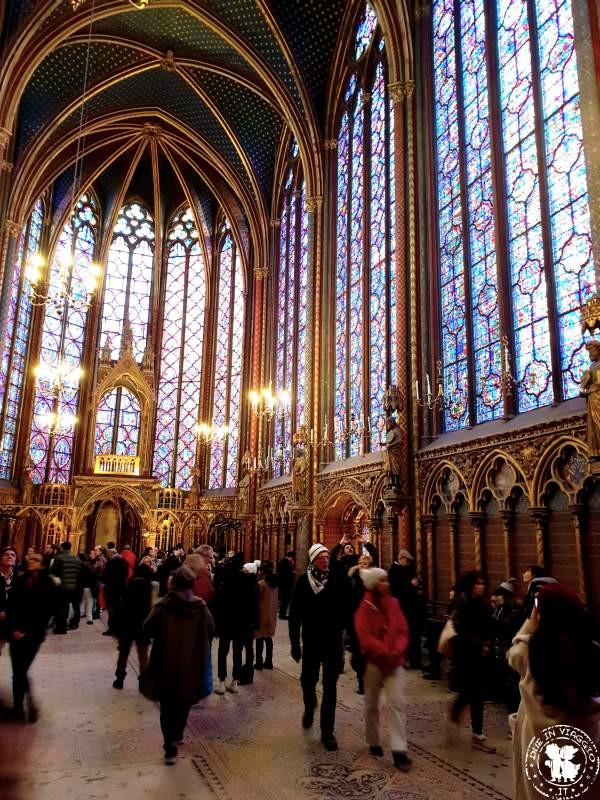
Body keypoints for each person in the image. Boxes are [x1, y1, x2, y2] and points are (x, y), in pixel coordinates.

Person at [507, 583, 600, 800]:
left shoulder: (530, 650)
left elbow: (512, 654)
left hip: (542, 744)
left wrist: (530, 624)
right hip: (585, 736)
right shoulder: (590, 649)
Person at [141, 565, 214, 765]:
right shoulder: (201, 607)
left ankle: (169, 745)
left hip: (166, 662)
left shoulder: (163, 606)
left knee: (167, 705)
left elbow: (146, 629)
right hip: (191, 664)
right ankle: (178, 733)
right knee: (183, 702)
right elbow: (212, 628)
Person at [289, 543, 351, 751]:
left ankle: (327, 732)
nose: (326, 561)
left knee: (330, 686)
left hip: (333, 641)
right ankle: (309, 705)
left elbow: (347, 607)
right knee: (308, 680)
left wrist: (347, 632)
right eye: (322, 558)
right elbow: (294, 615)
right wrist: (294, 643)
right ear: (313, 560)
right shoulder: (303, 583)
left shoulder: (337, 579)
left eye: (327, 557)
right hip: (312, 639)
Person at [354, 568, 411, 771]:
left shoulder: (394, 603)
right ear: (372, 584)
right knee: (372, 703)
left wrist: (397, 650)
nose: (386, 584)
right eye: (381, 581)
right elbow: (364, 635)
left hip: (394, 661)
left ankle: (399, 750)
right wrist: (383, 650)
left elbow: (403, 630)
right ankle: (373, 740)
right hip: (374, 662)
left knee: (397, 703)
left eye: (387, 580)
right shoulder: (364, 607)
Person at [6, 552, 58, 721]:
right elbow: (11, 605)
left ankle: (27, 704)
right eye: (30, 559)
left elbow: (46, 612)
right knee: (18, 671)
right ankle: (19, 707)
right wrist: (13, 629)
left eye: (35, 560)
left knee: (22, 669)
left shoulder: (48, 585)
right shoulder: (20, 580)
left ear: (42, 565)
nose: (30, 561)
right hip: (15, 632)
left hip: (33, 635)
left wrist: (28, 632)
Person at [448, 570, 496, 753]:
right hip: (466, 655)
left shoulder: (484, 604)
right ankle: (457, 716)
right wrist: (478, 645)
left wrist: (487, 644)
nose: (481, 587)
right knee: (469, 693)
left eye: (483, 583)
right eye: (477, 583)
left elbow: (491, 627)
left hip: (481, 655)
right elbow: (460, 629)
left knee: (476, 694)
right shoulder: (462, 604)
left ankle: (477, 733)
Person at [112, 562, 155, 690]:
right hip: (143, 624)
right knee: (143, 654)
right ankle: (143, 681)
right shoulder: (149, 587)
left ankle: (119, 678)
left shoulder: (130, 585)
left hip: (127, 623)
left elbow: (123, 606)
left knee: (124, 652)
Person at [388, 549, 426, 669]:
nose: (409, 564)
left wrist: (416, 585)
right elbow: (395, 590)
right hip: (401, 608)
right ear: (402, 558)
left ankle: (415, 660)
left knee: (414, 635)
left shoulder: (408, 569)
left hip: (412, 608)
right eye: (408, 561)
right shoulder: (393, 571)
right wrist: (410, 585)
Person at [50, 541, 81, 633]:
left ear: (62, 548)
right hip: (74, 587)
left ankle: (61, 627)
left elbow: (54, 572)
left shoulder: (59, 558)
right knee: (74, 606)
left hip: (62, 587)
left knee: (61, 607)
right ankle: (74, 623)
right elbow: (79, 573)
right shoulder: (76, 558)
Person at [255, 561, 278, 670]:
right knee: (268, 639)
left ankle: (259, 662)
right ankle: (269, 661)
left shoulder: (261, 584)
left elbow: (257, 598)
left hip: (261, 614)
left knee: (259, 639)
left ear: (262, 571)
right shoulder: (274, 584)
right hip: (271, 615)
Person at [580, 339, 600, 461]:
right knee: (594, 425)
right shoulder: (592, 366)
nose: (590, 354)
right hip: (593, 399)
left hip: (597, 397)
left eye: (591, 351)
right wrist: (586, 388)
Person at [276, 551, 295, 619]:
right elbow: (288, 575)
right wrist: (292, 571)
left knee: (284, 600)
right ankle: (283, 614)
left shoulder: (282, 562)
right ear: (291, 557)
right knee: (285, 601)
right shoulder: (286, 563)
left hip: (282, 584)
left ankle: (282, 614)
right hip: (286, 585)